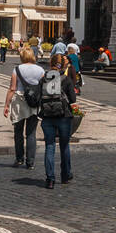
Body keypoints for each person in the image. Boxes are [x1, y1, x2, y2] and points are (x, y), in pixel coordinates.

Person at [40, 52, 78, 189]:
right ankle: (65, 175)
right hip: (63, 116)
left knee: (49, 146)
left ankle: (50, 179)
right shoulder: (66, 79)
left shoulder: (44, 78)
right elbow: (73, 99)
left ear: (51, 64)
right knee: (64, 146)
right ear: (62, 65)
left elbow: (39, 96)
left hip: (47, 116)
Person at [3, 45, 44, 169]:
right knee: (31, 133)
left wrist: (6, 105)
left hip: (19, 101)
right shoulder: (41, 70)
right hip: (34, 103)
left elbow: (12, 88)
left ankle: (19, 158)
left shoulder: (17, 69)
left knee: (18, 131)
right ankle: (30, 162)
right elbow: (43, 88)